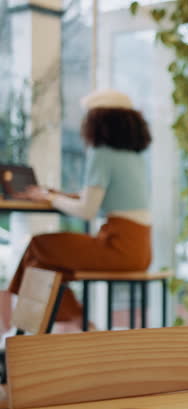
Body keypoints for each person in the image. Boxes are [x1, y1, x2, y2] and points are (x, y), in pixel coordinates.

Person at [9, 89, 153, 326]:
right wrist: (53, 194)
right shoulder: (134, 157)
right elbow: (94, 198)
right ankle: (70, 324)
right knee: (41, 263)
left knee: (38, 244)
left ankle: (45, 322)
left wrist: (52, 199)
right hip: (140, 250)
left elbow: (87, 210)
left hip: (117, 246)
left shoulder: (102, 154)